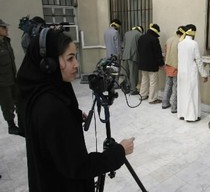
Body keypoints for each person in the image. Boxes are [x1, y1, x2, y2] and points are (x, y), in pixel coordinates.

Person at [17, 28, 135, 192]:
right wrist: (119, 152)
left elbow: (45, 133)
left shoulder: (37, 93)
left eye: (76, 57)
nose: (76, 64)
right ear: (48, 64)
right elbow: (78, 167)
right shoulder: (52, 108)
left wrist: (71, 116)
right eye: (70, 58)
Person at [177, 24, 208, 122]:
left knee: (182, 93)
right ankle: (191, 116)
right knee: (192, 93)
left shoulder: (180, 43)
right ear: (194, 32)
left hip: (181, 72)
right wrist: (204, 74)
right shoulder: (194, 43)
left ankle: (182, 114)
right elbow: (198, 60)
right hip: (191, 72)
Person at [0, 19, 19, 135]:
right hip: (2, 82)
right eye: (3, 27)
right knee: (7, 103)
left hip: (12, 78)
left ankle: (21, 121)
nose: (6, 29)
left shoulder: (6, 42)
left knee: (17, 100)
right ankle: (11, 126)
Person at [138, 23, 164, 104]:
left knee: (144, 79)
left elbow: (138, 50)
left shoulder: (141, 37)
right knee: (153, 82)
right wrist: (161, 63)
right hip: (152, 64)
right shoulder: (154, 39)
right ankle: (152, 98)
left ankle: (142, 95)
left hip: (142, 63)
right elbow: (158, 53)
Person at [162, 26, 184, 113]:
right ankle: (174, 107)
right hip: (176, 66)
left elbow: (166, 52)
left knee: (167, 85)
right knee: (175, 87)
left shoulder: (169, 39)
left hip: (168, 65)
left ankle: (165, 103)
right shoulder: (180, 41)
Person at [122, 25, 144, 95]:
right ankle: (133, 89)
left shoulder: (127, 33)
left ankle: (126, 88)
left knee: (126, 73)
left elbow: (124, 45)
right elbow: (140, 47)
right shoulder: (139, 35)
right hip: (133, 56)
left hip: (125, 56)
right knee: (133, 74)